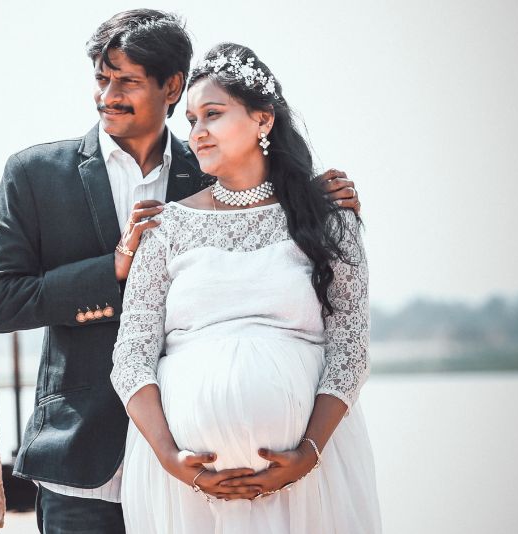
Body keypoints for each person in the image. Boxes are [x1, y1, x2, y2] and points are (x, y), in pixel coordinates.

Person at [0, 10, 361, 533]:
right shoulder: (35, 174)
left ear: (172, 86)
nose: (108, 95)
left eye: (127, 81)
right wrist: (113, 269)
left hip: (203, 472)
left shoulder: (209, 168)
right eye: (101, 79)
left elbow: (260, 214)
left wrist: (314, 200)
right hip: (82, 458)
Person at [111, 42, 381, 533]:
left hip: (311, 478)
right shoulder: (165, 228)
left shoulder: (329, 220)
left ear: (263, 119)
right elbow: (131, 355)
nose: (197, 132)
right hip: (183, 488)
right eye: (191, 120)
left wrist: (309, 452)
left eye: (212, 114)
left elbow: (350, 348)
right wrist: (170, 458)